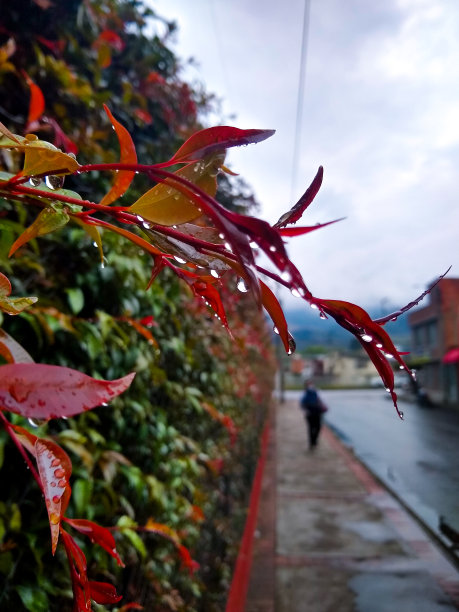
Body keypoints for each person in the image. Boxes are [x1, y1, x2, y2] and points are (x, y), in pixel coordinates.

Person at [300, 381, 327, 450]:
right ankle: (311, 442)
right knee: (311, 427)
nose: (311, 386)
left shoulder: (316, 392)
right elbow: (302, 403)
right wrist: (305, 410)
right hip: (310, 413)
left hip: (317, 412)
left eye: (311, 384)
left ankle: (314, 441)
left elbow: (321, 400)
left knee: (318, 427)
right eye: (309, 384)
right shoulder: (305, 393)